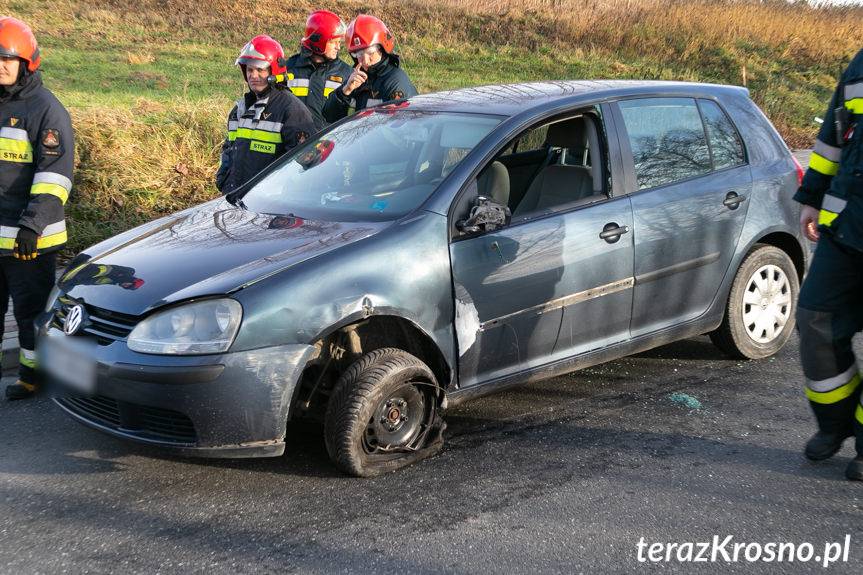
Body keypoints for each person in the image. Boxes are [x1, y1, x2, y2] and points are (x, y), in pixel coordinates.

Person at [795, 47, 863, 481]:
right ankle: (835, 424)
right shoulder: (861, 63)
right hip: (848, 225)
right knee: (814, 319)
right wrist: (813, 198)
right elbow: (831, 139)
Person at [0, 17, 73, 400]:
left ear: (27, 62)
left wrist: (32, 225)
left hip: (30, 239)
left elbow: (54, 177)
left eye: (7, 60)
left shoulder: (46, 111)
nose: (1, 66)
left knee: (29, 314)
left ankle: (33, 374)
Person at [216, 35, 315, 195]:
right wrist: (223, 180)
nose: (253, 76)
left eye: (260, 69)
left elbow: (305, 164)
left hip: (272, 203)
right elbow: (229, 149)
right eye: (249, 69)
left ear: (273, 71)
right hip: (236, 197)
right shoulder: (239, 110)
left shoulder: (291, 110)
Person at [322, 14, 417, 123]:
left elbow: (399, 128)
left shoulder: (395, 82)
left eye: (370, 53)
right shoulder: (356, 79)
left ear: (382, 49)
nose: (365, 61)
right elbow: (329, 117)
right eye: (359, 54)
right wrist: (345, 91)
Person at [284, 10, 353, 131]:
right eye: (333, 42)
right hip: (294, 147)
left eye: (339, 42)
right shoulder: (289, 69)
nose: (338, 47)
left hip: (332, 147)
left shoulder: (346, 74)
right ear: (318, 41)